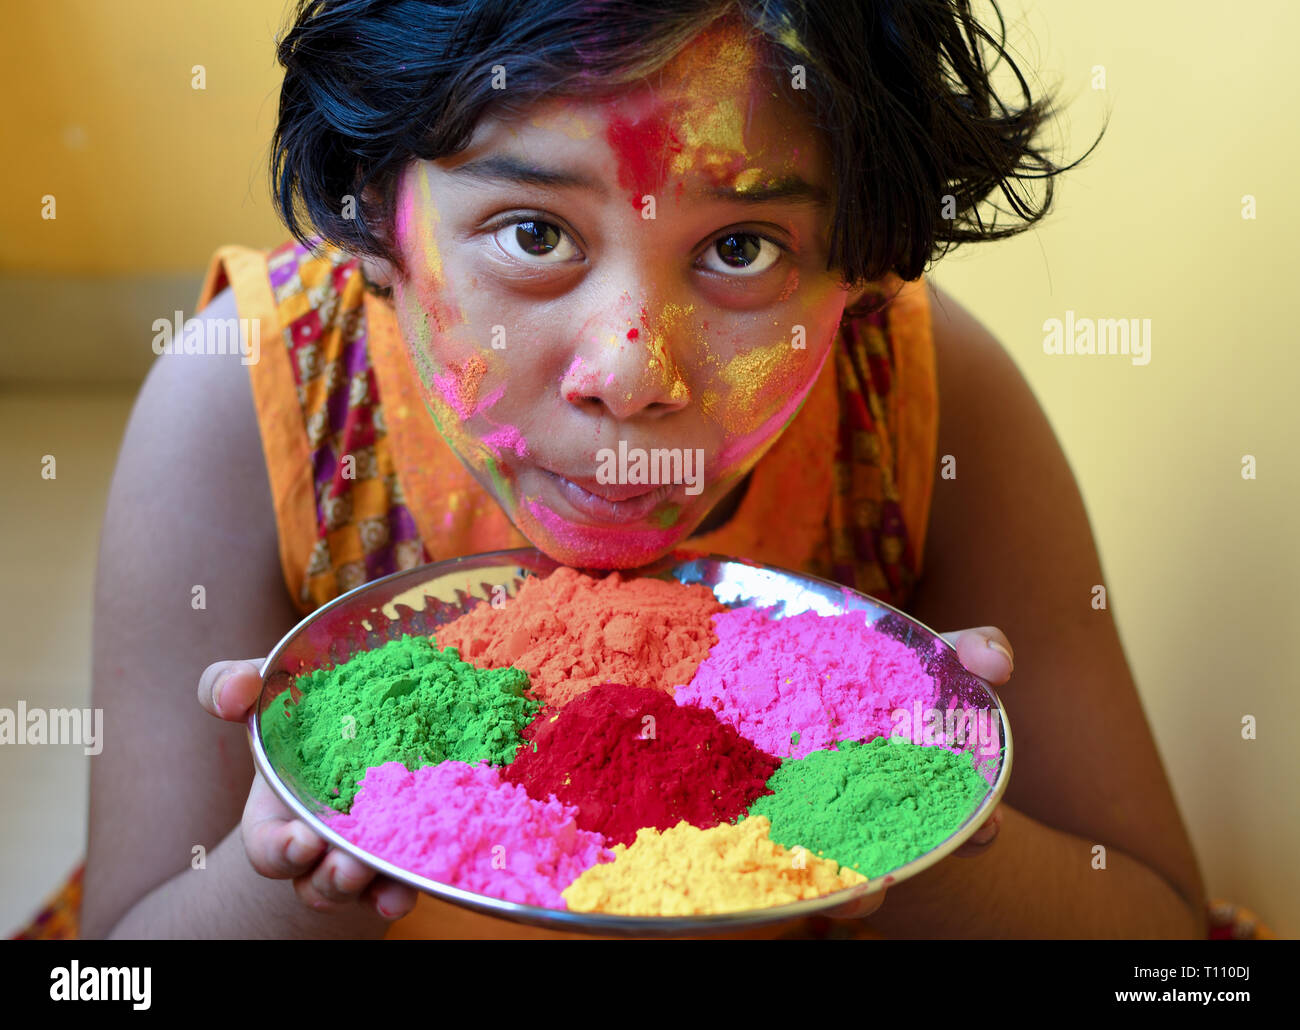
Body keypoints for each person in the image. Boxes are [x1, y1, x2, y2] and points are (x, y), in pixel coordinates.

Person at [65, 0, 1210, 939]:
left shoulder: (925, 394)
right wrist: (299, 877)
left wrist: (918, 838)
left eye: (740, 250)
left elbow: (1163, 936)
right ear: (374, 204)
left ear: (858, 266)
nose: (629, 372)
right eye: (533, 233)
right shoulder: (255, 396)